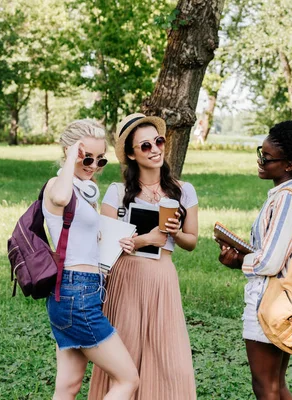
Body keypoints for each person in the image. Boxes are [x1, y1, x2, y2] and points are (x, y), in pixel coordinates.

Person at [217, 120, 292, 400]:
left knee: (265, 386)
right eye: (261, 152)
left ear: (289, 165)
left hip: (270, 303)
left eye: (266, 158)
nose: (260, 161)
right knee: (277, 385)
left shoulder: (285, 199)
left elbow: (270, 263)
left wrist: (237, 261)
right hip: (282, 302)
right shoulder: (291, 196)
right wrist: (247, 251)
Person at [88, 113, 198, 400]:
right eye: (145, 146)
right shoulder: (117, 192)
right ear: (132, 154)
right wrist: (143, 240)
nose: (155, 149)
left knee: (170, 359)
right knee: (126, 352)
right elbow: (106, 247)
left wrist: (176, 232)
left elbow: (192, 242)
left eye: (158, 142)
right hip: (126, 279)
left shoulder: (184, 191)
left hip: (162, 279)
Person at [42, 119, 139, 400]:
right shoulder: (57, 186)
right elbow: (60, 197)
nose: (93, 166)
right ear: (70, 152)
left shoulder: (84, 191)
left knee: (68, 387)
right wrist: (73, 155)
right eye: (88, 157)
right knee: (127, 379)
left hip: (76, 292)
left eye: (100, 160)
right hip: (76, 293)